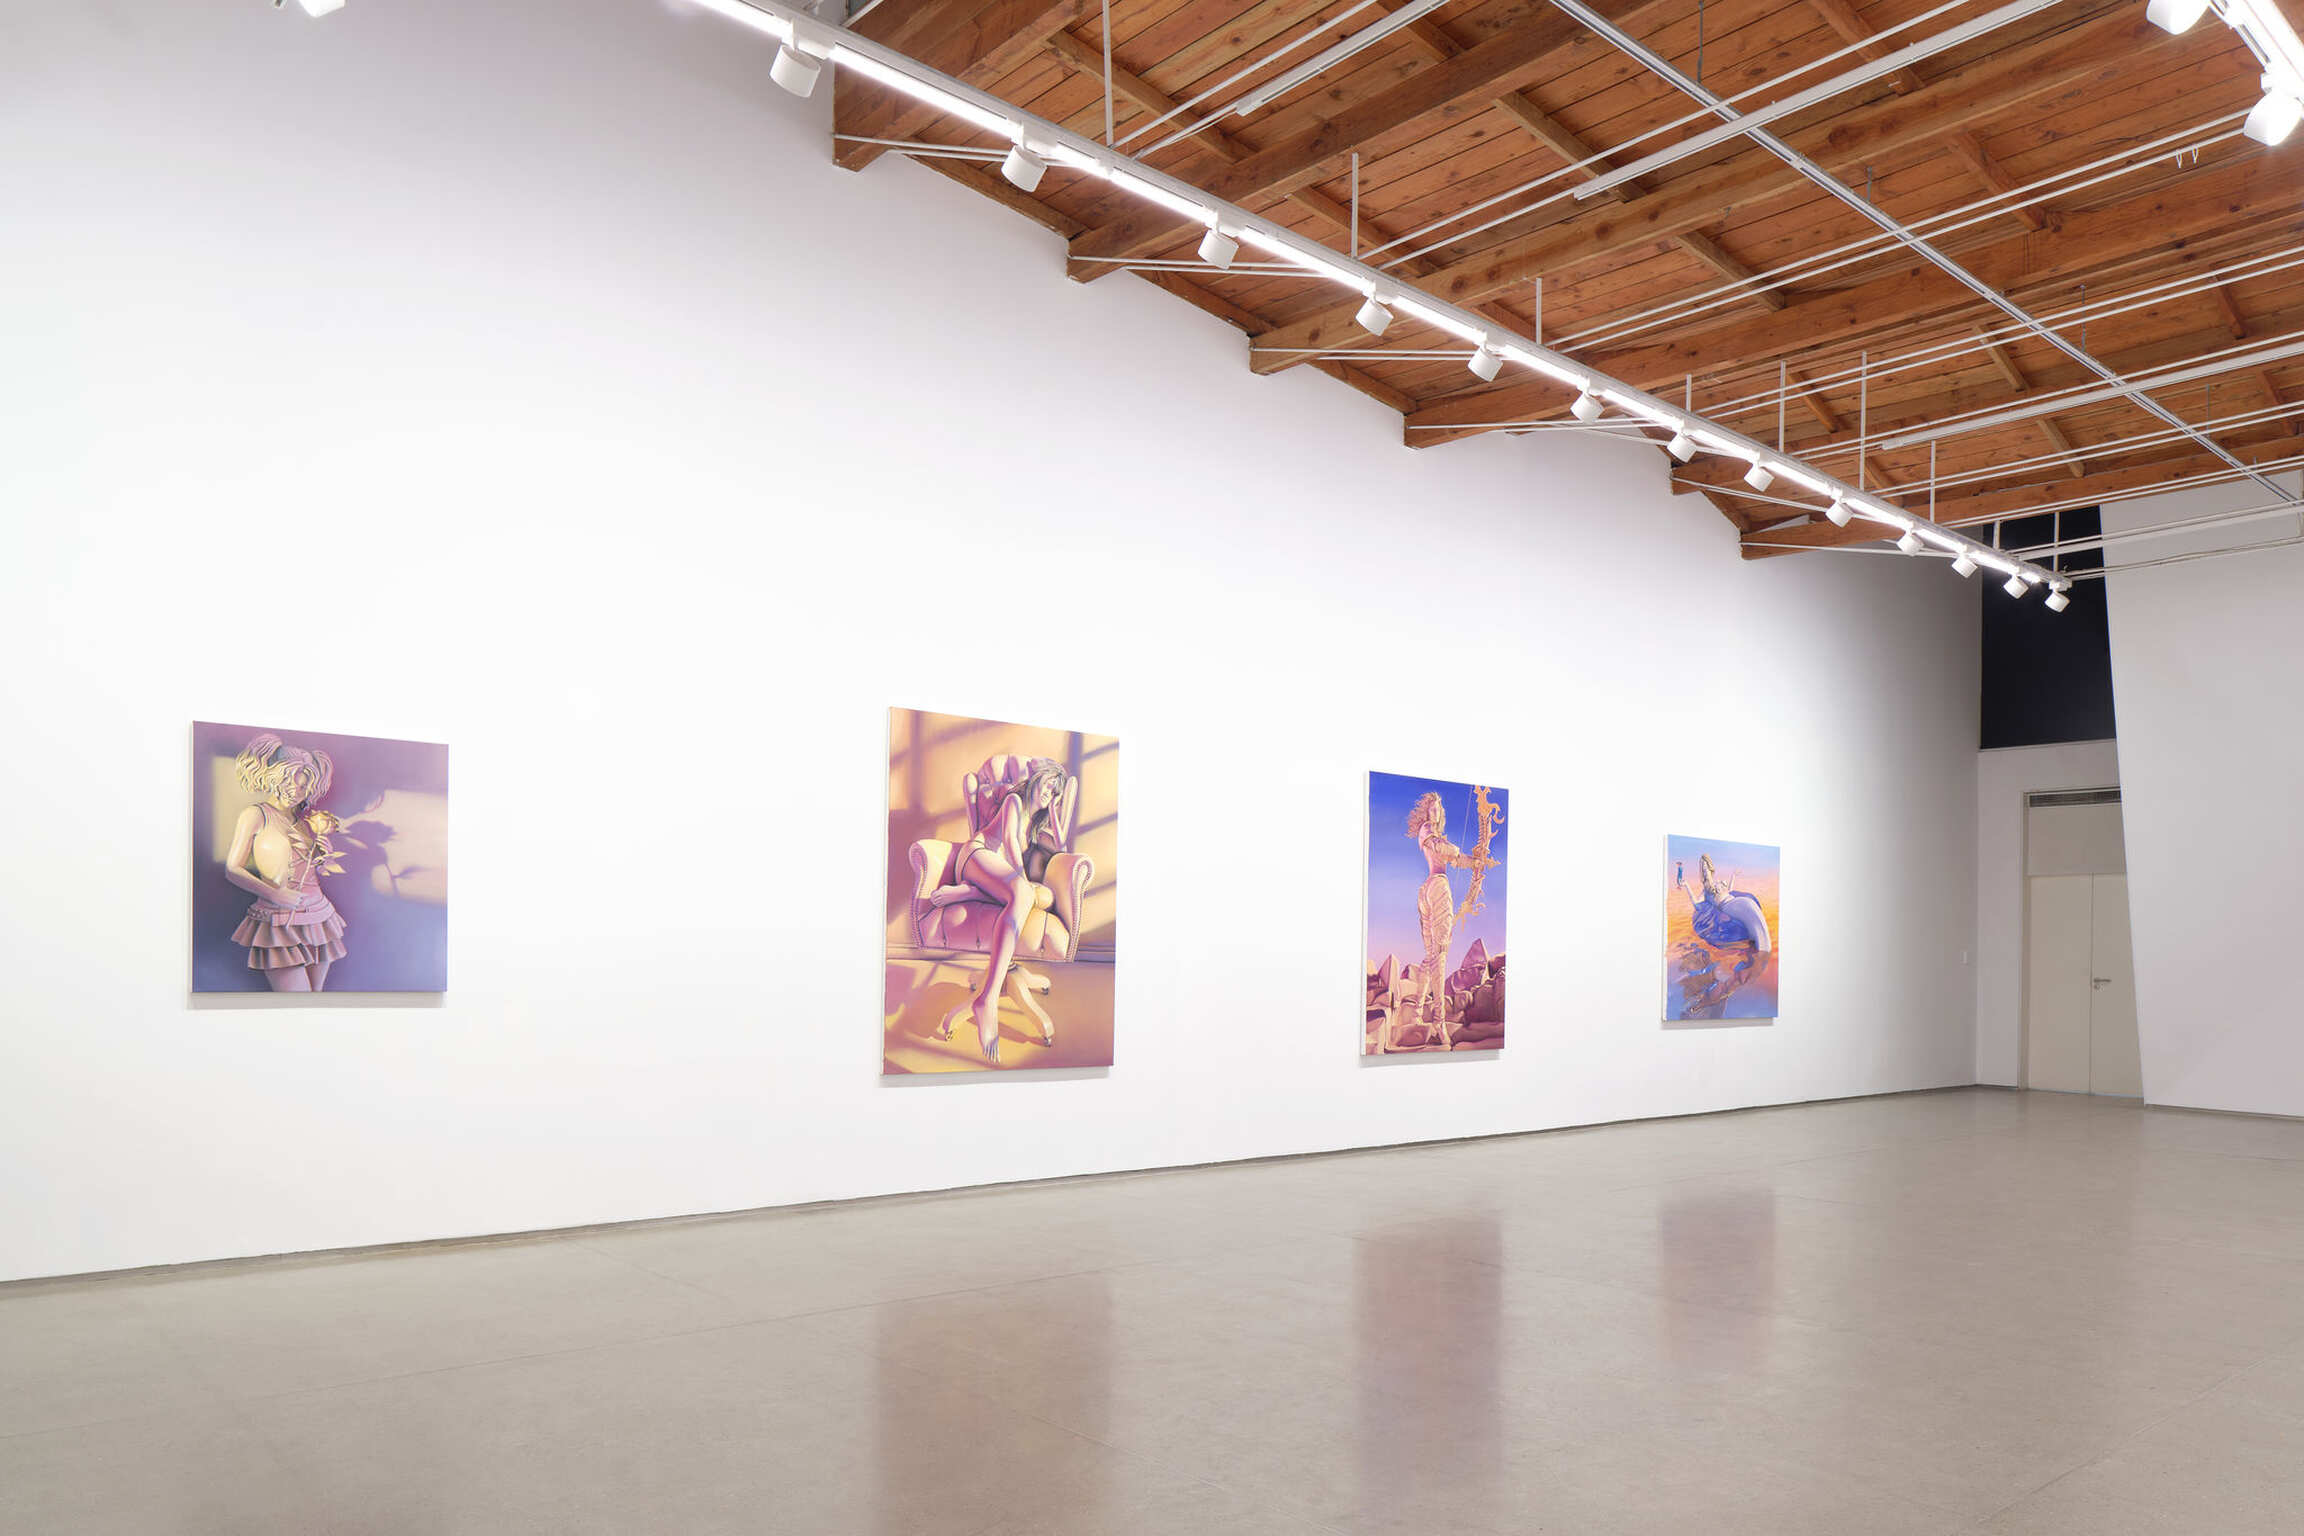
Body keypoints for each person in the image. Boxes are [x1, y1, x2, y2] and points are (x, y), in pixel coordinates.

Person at [923, 757, 1070, 1065]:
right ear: (1037, 780)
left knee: (1030, 896)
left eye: (1056, 792)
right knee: (1022, 894)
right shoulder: (1015, 800)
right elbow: (1009, 841)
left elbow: (1060, 846)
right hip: (976, 856)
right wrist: (1023, 883)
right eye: (1048, 785)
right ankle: (988, 999)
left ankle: (969, 892)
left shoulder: (1036, 820)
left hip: (990, 878)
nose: (1050, 794)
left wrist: (1055, 813)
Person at [221, 733, 347, 992]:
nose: (295, 792)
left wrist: (323, 857)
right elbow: (233, 869)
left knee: (314, 999)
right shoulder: (256, 815)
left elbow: (310, 870)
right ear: (273, 777)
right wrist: (275, 894)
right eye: (287, 782)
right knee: (296, 1000)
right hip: (278, 917)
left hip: (319, 916)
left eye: (302, 787)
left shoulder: (305, 823)